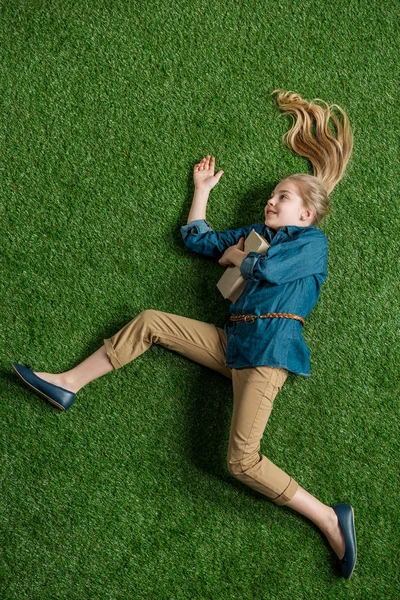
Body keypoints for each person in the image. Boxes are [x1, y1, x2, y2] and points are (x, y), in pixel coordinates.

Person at [12, 89, 357, 579]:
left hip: (266, 354)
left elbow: (268, 271)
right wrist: (202, 191)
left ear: (305, 213)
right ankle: (68, 384)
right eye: (272, 194)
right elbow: (196, 239)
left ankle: (328, 517)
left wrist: (239, 257)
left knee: (241, 462)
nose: (270, 200)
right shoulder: (256, 234)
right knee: (151, 320)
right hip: (232, 342)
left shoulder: (312, 243)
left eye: (282, 196)